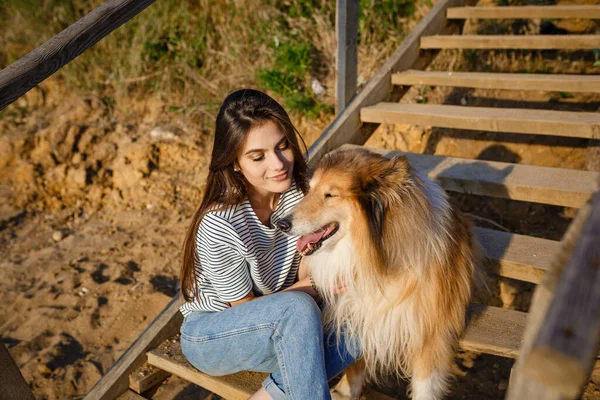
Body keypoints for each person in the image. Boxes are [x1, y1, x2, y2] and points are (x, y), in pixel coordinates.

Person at [179, 89, 358, 400]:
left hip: (287, 325)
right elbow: (249, 310)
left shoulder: (304, 193)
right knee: (299, 310)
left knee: (361, 326)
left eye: (282, 146)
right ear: (234, 163)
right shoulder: (221, 224)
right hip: (215, 332)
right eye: (258, 156)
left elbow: (309, 259)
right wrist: (315, 283)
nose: (277, 164)